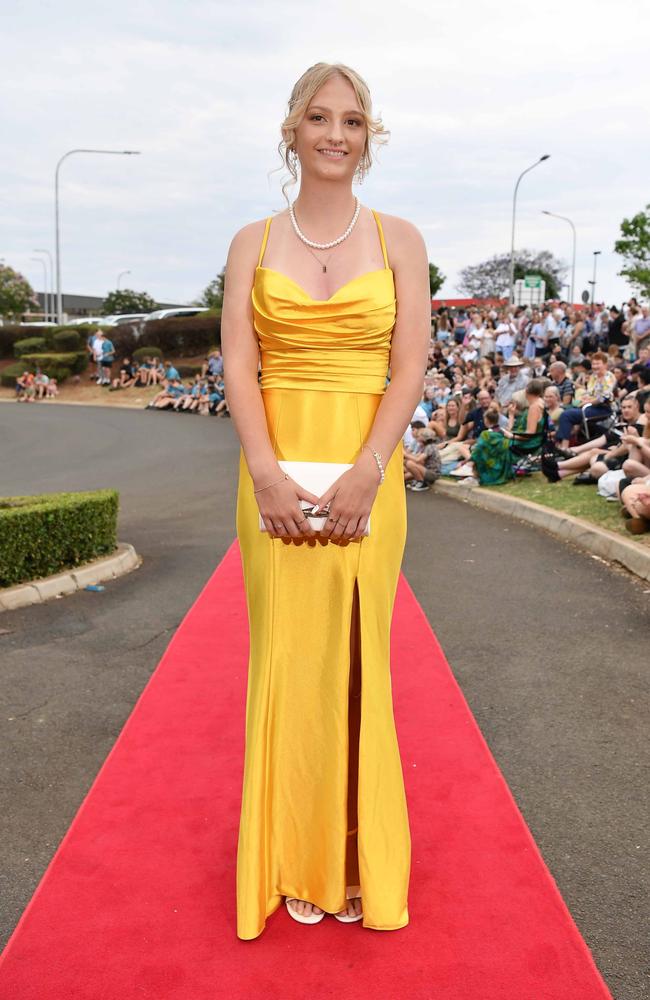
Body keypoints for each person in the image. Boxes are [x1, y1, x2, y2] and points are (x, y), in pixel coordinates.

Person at [221, 62, 430, 940]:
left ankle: (351, 859)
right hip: (271, 474)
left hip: (366, 473)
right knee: (287, 665)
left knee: (357, 665)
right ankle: (294, 857)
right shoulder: (251, 241)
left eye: (353, 119)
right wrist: (265, 472)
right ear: (292, 131)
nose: (336, 133)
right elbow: (238, 362)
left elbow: (411, 361)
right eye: (320, 117)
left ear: (368, 136)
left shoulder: (400, 239)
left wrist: (369, 469)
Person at [555, 351, 616, 449]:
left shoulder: (609, 377)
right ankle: (563, 442)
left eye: (598, 364)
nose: (595, 366)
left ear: (605, 364)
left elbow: (604, 397)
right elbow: (589, 392)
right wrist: (584, 398)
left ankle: (564, 446)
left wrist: (588, 402)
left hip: (603, 408)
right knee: (563, 409)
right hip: (590, 406)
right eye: (593, 364)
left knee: (567, 415)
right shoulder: (593, 377)